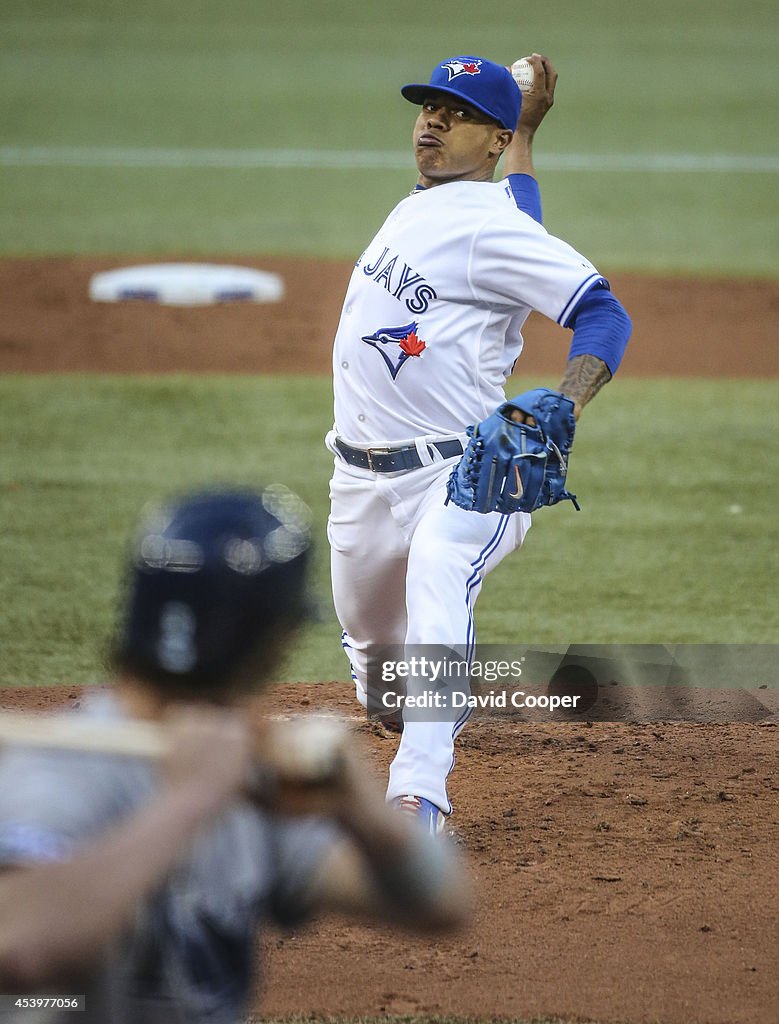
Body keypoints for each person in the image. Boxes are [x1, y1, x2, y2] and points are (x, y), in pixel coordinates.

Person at [0, 487, 468, 1023]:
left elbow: (442, 905)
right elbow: (19, 947)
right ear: (259, 640)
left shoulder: (246, 775)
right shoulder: (60, 771)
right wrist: (189, 802)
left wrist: (359, 805)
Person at [326, 54, 632, 833]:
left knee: (439, 574)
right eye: (428, 106)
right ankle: (399, 706)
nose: (431, 121)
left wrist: (563, 405)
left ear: (487, 140)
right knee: (377, 670)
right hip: (358, 479)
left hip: (462, 476)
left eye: (454, 113)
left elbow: (603, 313)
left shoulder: (485, 226)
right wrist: (526, 133)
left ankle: (417, 796)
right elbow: (521, 209)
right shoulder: (434, 203)